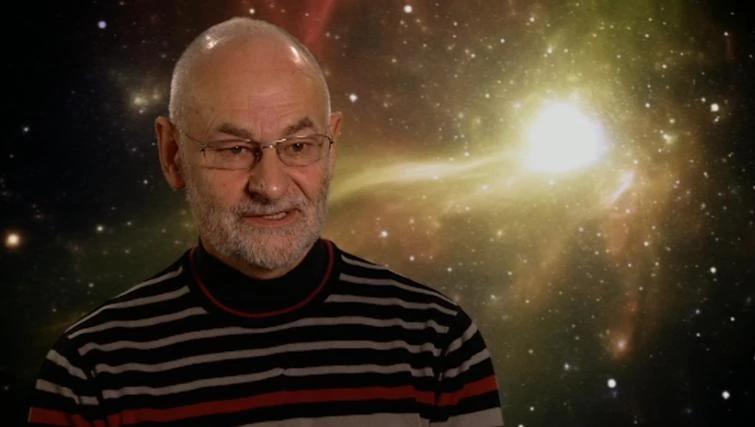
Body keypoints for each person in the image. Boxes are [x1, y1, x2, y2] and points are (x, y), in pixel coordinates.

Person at [27, 17, 503, 426]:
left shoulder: (439, 343)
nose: (270, 186)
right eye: (234, 149)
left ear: (332, 146)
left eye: (298, 146)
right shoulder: (90, 372)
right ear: (172, 154)